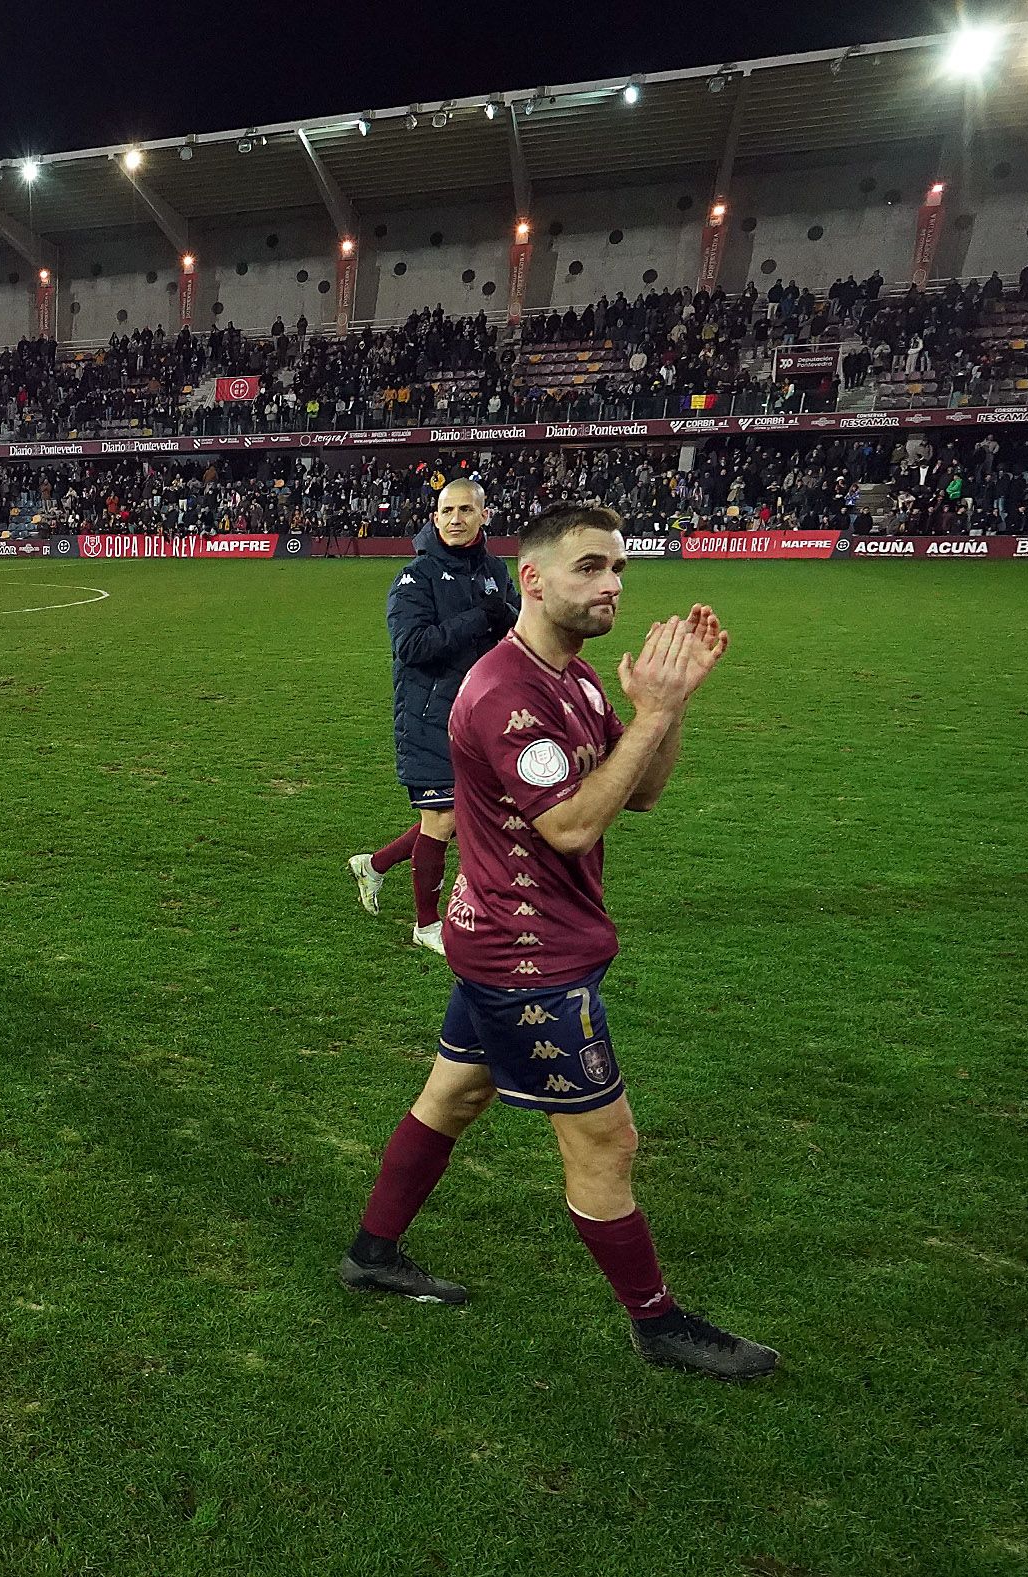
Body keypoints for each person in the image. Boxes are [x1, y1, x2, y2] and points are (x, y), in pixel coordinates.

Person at [338, 503, 776, 1382]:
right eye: (589, 567)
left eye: (618, 567)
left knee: (453, 1096)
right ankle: (656, 1323)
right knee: (604, 1143)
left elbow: (638, 793)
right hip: (526, 960)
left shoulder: (569, 679)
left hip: (507, 937)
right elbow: (571, 826)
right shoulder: (505, 693)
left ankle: (372, 1253)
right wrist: (647, 712)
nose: (612, 584)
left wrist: (668, 707)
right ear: (531, 579)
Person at [351, 479, 519, 953]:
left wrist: (507, 614)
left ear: (484, 515)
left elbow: (514, 629)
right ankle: (426, 925)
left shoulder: (494, 570)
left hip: (482, 712)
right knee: (444, 821)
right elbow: (411, 646)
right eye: (446, 511)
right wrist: (481, 617)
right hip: (430, 714)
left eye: (466, 510)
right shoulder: (415, 577)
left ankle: (376, 865)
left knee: (460, 814)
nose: (455, 519)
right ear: (434, 517)